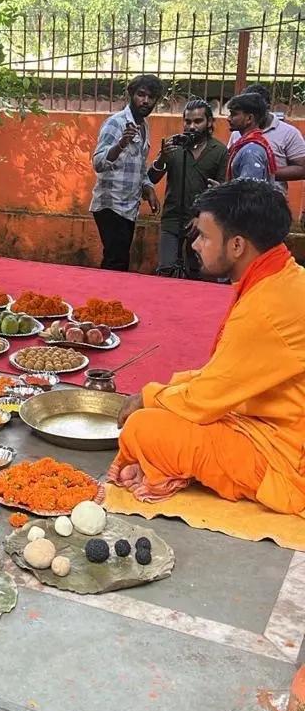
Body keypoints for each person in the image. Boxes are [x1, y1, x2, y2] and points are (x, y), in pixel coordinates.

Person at [109, 180, 305, 515]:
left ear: (238, 245)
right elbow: (220, 376)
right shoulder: (284, 277)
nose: (196, 245)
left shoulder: (266, 308)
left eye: (204, 236)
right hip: (263, 420)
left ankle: (165, 470)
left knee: (142, 428)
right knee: (160, 414)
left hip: (284, 457)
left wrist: (148, 396)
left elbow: (203, 399)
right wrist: (166, 389)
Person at [147, 98, 228, 278]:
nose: (192, 126)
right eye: (188, 121)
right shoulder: (174, 146)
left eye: (198, 121)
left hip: (203, 223)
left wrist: (200, 216)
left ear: (209, 123)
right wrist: (161, 160)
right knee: (166, 271)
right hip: (172, 219)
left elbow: (221, 190)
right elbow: (152, 177)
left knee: (199, 273)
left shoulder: (219, 151)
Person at [90, 74, 163, 271]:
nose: (145, 101)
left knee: (118, 260)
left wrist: (149, 189)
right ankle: (103, 300)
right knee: (116, 261)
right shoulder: (116, 123)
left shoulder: (144, 126)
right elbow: (98, 163)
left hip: (129, 206)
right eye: (141, 95)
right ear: (131, 95)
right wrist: (121, 144)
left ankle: (106, 299)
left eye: (151, 97)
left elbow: (139, 166)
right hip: (110, 204)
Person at [228, 83, 305, 197]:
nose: (229, 119)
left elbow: (302, 169)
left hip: (268, 202)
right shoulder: (237, 133)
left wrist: (263, 172)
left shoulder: (289, 133)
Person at [226, 92, 276, 182]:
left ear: (249, 118)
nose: (228, 119)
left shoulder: (251, 151)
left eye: (234, 114)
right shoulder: (247, 145)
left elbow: (249, 192)